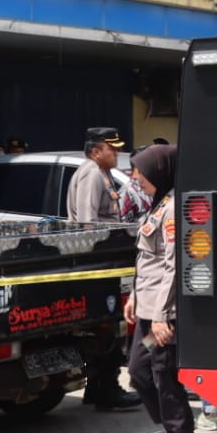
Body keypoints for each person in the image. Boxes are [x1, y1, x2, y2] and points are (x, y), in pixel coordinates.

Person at [124, 144, 202, 433]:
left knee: (163, 377)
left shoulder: (172, 210)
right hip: (146, 308)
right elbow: (147, 259)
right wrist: (133, 297)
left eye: (141, 173)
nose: (136, 179)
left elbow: (173, 265)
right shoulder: (159, 204)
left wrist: (162, 315)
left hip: (160, 315)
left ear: (159, 171)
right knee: (140, 372)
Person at [66, 127, 140, 411]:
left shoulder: (102, 173)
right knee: (106, 328)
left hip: (107, 262)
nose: (117, 153)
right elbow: (88, 226)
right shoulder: (92, 173)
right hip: (97, 263)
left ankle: (98, 388)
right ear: (97, 151)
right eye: (112, 149)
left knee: (106, 329)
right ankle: (107, 390)